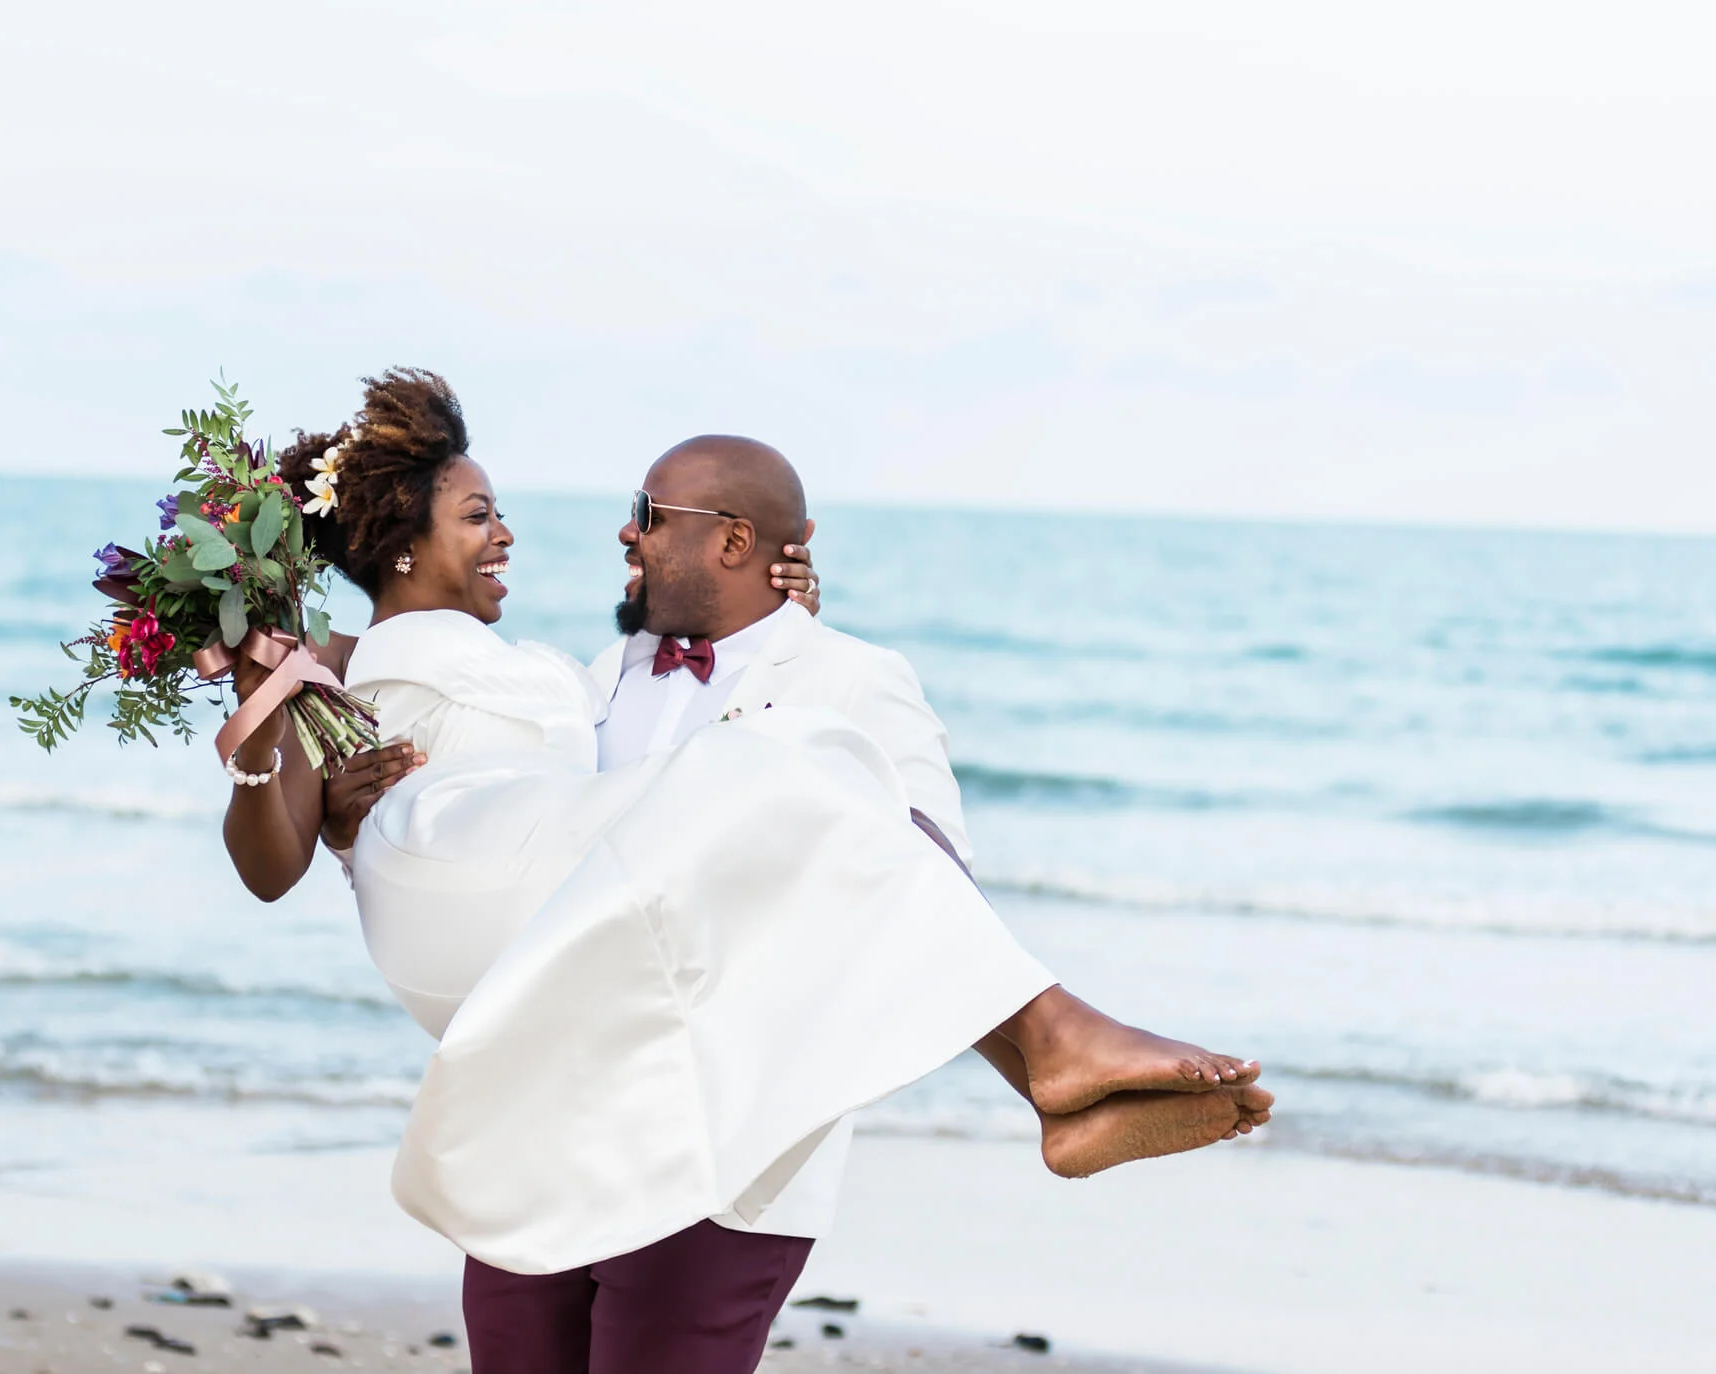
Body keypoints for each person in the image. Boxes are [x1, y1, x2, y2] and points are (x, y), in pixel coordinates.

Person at [224, 369, 1269, 1374]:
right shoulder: (581, 680)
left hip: (721, 1141)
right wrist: (340, 783)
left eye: (648, 511)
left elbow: (918, 867)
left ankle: (1051, 1047)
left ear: (731, 539)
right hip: (546, 1096)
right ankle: (1050, 1048)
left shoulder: (848, 680)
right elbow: (467, 777)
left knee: (805, 770)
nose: (620, 534)